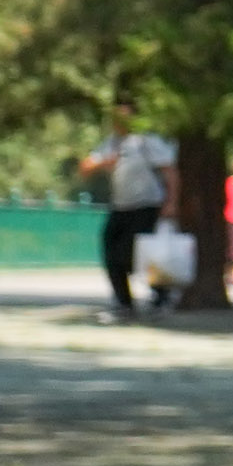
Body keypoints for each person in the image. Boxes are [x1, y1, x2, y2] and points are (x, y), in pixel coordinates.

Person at [83, 117, 172, 319]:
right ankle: (124, 303)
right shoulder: (112, 143)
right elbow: (86, 166)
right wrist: (105, 162)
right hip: (120, 206)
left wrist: (171, 202)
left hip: (147, 205)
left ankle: (161, 297)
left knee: (139, 253)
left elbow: (170, 170)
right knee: (111, 251)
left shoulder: (147, 141)